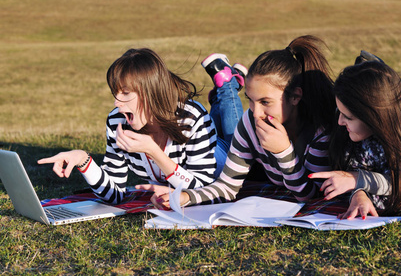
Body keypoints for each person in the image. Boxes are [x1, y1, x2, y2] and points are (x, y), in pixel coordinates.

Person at [148, 35, 337, 209]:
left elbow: (311, 196)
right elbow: (227, 186)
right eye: (250, 100)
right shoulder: (249, 122)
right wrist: (186, 197)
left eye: (265, 102)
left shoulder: (319, 131)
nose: (255, 113)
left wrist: (283, 152)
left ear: (295, 96)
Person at [38, 48, 246, 204]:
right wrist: (83, 160)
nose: (116, 103)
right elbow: (115, 195)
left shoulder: (192, 117)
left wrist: (154, 152)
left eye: (126, 93)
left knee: (232, 135)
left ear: (151, 92)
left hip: (221, 159)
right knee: (218, 119)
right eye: (115, 93)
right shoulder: (118, 121)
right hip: (194, 154)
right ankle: (227, 84)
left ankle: (228, 84)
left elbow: (201, 188)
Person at [310, 60, 401, 219]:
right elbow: (352, 171)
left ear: (373, 118)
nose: (340, 122)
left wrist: (358, 180)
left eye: (348, 117)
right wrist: (359, 194)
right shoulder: (353, 115)